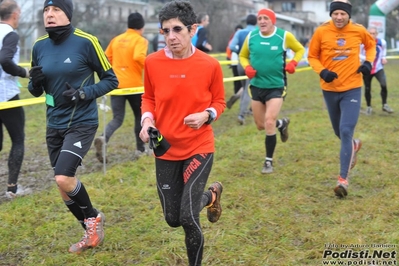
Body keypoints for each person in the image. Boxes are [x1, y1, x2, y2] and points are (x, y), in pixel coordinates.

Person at [28, 0, 118, 253]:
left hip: (82, 122)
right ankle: (89, 230)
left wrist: (83, 93)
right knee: (63, 185)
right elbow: (36, 91)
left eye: (56, 9)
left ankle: (93, 217)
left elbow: (111, 80)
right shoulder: (38, 45)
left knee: (63, 177)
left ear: (67, 14)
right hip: (53, 122)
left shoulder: (86, 41)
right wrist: (34, 83)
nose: (50, 14)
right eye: (46, 10)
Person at [139, 1, 225, 265]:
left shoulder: (210, 65)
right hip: (165, 148)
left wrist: (206, 115)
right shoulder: (152, 62)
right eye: (166, 31)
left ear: (193, 29)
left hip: (199, 146)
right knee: (173, 219)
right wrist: (146, 122)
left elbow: (220, 102)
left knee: (188, 216)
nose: (171, 37)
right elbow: (149, 98)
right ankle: (211, 195)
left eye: (177, 29)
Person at [307, 0, 376, 198]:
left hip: (352, 88)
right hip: (329, 88)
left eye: (342, 14)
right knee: (339, 131)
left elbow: (371, 46)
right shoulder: (321, 32)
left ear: (348, 15)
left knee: (346, 130)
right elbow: (312, 56)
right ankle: (354, 145)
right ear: (331, 14)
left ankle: (343, 180)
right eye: (335, 13)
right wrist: (323, 72)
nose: (339, 17)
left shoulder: (358, 30)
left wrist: (368, 63)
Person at [239, 8, 305, 173]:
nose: (262, 21)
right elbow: (242, 55)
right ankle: (281, 124)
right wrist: (247, 67)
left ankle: (268, 162)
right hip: (256, 86)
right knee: (261, 125)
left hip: (276, 86)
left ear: (272, 21)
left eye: (265, 18)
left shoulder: (283, 36)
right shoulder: (252, 36)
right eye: (260, 18)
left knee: (269, 121)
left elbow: (300, 50)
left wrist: (293, 63)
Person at [94, 12, 148, 163]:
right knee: (140, 116)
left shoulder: (116, 40)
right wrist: (152, 66)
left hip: (116, 85)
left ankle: (103, 138)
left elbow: (105, 58)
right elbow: (138, 57)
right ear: (142, 27)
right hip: (135, 87)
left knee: (117, 118)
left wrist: (115, 72)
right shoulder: (140, 40)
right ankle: (140, 149)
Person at [0, 0, 32, 199]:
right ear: (15, 15)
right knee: (18, 139)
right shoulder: (10, 34)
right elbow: (5, 60)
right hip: (7, 96)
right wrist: (24, 72)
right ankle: (12, 189)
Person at [228, 14, 257, 123]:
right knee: (248, 90)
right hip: (252, 63)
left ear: (247, 22)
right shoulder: (257, 33)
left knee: (245, 87)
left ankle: (239, 99)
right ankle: (241, 114)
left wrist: (240, 52)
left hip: (241, 63)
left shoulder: (239, 32)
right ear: (255, 22)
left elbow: (231, 47)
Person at [360, 26, 393, 115]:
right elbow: (358, 55)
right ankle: (369, 107)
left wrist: (383, 58)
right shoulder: (362, 43)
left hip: (378, 68)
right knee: (367, 88)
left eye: (374, 33)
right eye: (370, 33)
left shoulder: (382, 42)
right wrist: (368, 58)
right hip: (367, 69)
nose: (372, 35)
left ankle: (385, 105)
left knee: (384, 85)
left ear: (377, 34)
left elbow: (384, 51)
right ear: (367, 34)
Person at [226, 24, 243, 108]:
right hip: (235, 61)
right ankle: (237, 94)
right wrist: (228, 59)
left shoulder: (239, 39)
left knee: (242, 81)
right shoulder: (233, 39)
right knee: (237, 79)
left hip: (239, 61)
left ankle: (237, 95)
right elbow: (229, 49)